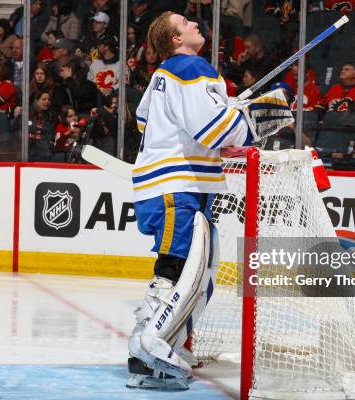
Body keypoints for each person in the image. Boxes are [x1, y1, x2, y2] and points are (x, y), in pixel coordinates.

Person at [126, 11, 288, 390]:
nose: (196, 23)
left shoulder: (167, 74)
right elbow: (216, 131)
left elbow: (144, 121)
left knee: (197, 274)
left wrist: (228, 109)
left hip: (177, 185)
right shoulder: (188, 67)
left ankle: (164, 344)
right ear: (175, 39)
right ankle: (147, 349)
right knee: (178, 270)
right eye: (185, 23)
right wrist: (273, 107)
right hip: (177, 187)